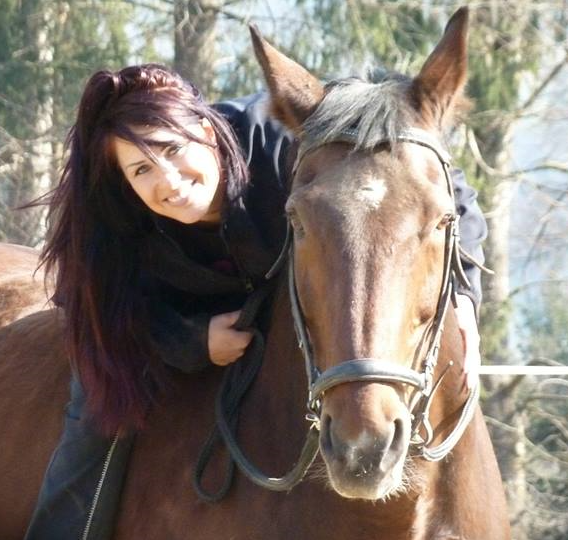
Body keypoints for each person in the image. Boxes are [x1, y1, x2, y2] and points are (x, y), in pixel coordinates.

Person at [24, 63, 486, 539]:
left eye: (172, 149)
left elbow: (438, 186)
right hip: (175, 313)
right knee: (94, 415)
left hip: (279, 295)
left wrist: (465, 296)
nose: (169, 181)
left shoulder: (284, 140)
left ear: (207, 131)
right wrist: (194, 340)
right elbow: (93, 313)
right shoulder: (112, 213)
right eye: (142, 169)